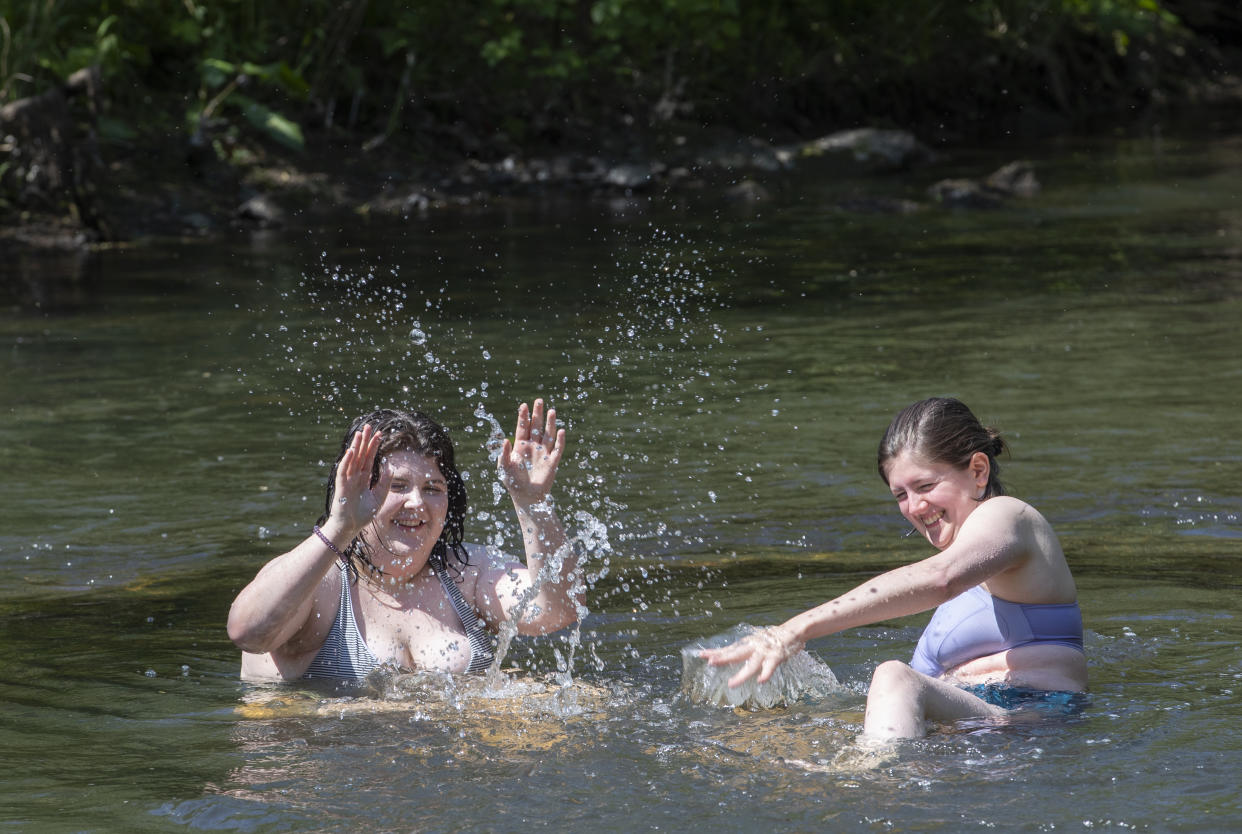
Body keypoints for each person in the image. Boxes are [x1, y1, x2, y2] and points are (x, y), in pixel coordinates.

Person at [700, 397, 1086, 739]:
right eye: (901, 494)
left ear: (978, 471)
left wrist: (793, 630)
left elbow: (939, 578)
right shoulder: (969, 567)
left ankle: (877, 791)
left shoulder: (1010, 517)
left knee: (894, 675)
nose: (915, 508)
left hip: (1032, 721)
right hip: (972, 728)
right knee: (758, 736)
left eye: (926, 485)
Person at [227, 398, 581, 683]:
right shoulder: (321, 582)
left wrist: (531, 503)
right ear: (354, 489)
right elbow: (248, 633)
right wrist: (339, 527)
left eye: (433, 488)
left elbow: (556, 611)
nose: (417, 503)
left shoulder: (466, 572)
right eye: (396, 486)